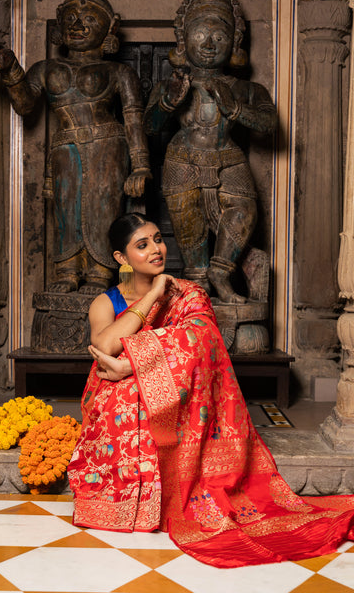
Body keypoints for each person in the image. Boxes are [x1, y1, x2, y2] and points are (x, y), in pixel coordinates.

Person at [68, 213, 354, 568]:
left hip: (177, 392)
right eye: (142, 245)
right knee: (124, 400)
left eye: (157, 239)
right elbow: (105, 346)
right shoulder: (105, 302)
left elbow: (202, 343)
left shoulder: (189, 295)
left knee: (187, 346)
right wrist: (153, 296)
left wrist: (132, 365)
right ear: (121, 259)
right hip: (124, 390)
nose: (156, 249)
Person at [0, 0, 151, 294]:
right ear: (60, 25)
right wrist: (9, 67)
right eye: (70, 18)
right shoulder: (46, 69)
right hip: (64, 150)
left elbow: (134, 120)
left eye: (89, 19)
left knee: (103, 209)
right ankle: (67, 270)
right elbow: (24, 104)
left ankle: (100, 272)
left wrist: (140, 166)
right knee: (65, 209)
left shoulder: (119, 71)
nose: (78, 25)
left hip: (108, 149)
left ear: (108, 28)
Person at [143, 0, 277, 302]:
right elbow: (148, 126)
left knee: (244, 211)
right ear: (183, 39)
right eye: (200, 34)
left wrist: (235, 108)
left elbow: (269, 124)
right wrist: (168, 103)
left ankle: (221, 271)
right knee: (189, 225)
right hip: (182, 158)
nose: (208, 44)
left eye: (219, 36)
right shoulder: (172, 84)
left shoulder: (246, 88)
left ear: (234, 44)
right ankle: (199, 281)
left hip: (228, 156)